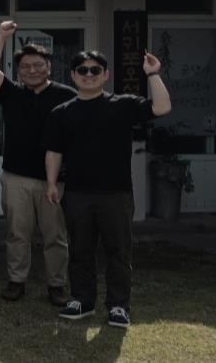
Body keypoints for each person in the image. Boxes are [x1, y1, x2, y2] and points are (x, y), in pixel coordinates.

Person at [46, 50, 171, 329]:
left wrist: (152, 74)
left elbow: (162, 108)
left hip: (116, 193)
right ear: (73, 75)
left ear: (106, 74)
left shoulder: (122, 105)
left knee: (118, 252)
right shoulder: (61, 113)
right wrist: (52, 183)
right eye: (82, 70)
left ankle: (118, 306)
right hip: (78, 193)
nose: (88, 74)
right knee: (81, 250)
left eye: (95, 70)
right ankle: (82, 300)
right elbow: (54, 151)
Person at [0, 21, 76, 305]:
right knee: (16, 233)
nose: (32, 71)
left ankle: (57, 285)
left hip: (55, 180)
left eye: (38, 65)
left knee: (55, 235)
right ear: (18, 71)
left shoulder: (67, 96)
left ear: (49, 66)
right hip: (16, 176)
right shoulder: (12, 93)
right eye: (25, 67)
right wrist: (0, 37)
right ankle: (16, 280)